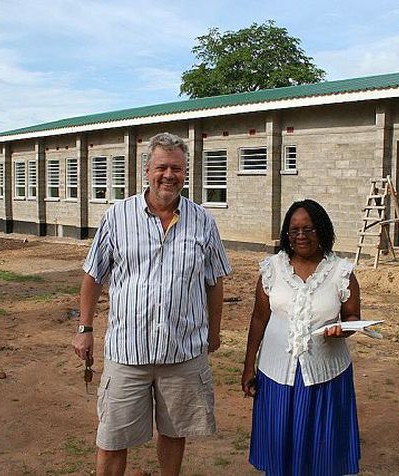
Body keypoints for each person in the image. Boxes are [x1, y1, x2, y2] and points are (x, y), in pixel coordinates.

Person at [73, 132, 231, 476]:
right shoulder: (117, 217)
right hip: (128, 353)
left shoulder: (203, 221)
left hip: (182, 353)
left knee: (174, 432)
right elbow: (93, 276)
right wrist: (85, 329)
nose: (169, 175)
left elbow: (214, 281)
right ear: (147, 170)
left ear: (186, 173)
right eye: (162, 167)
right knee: (112, 436)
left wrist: (213, 333)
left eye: (177, 168)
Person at [241, 199, 361, 475]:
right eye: (294, 230)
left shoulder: (341, 272)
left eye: (309, 229)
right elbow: (259, 318)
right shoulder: (272, 269)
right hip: (277, 375)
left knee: (322, 449)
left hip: (326, 375)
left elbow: (353, 316)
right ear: (286, 234)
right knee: (278, 444)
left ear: (322, 230)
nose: (301, 236)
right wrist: (249, 366)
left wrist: (345, 329)